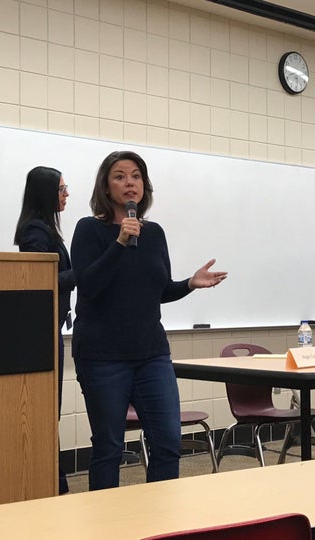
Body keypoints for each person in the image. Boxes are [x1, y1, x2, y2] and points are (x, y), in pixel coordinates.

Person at [70, 150, 227, 491]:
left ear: (144, 186)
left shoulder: (154, 233)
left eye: (136, 176)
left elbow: (157, 291)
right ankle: (107, 525)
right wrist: (120, 242)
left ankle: (159, 521)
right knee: (109, 448)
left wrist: (189, 284)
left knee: (168, 443)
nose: (130, 182)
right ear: (106, 186)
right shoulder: (89, 229)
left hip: (151, 355)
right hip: (102, 357)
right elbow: (90, 286)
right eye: (120, 176)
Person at [14, 166, 75, 495]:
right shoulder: (36, 232)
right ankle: (54, 484)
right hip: (40, 332)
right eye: (62, 188)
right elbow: (44, 279)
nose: (66, 194)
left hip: (49, 328)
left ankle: (55, 482)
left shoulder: (44, 228)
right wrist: (84, 272)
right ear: (47, 192)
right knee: (45, 410)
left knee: (50, 410)